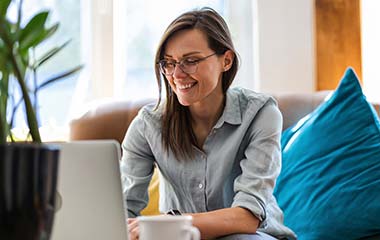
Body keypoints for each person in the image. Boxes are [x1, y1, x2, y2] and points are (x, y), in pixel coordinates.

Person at [121, 7, 296, 240]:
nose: (177, 74)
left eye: (190, 61)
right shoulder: (148, 125)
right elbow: (123, 209)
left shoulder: (261, 114)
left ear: (226, 60)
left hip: (253, 236)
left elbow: (247, 217)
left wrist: (173, 222)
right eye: (169, 63)